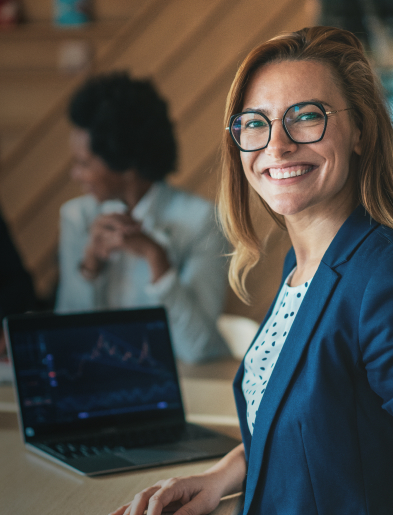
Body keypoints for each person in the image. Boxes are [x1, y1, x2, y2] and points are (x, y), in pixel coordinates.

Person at [109, 26, 393, 515]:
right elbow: (317, 425)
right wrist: (221, 476)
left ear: (362, 131)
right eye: (255, 123)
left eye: (307, 116)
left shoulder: (381, 274)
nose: (276, 145)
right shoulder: (302, 264)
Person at [55, 72, 230, 364]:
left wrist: (157, 258)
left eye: (84, 163)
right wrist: (89, 266)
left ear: (127, 164)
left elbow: (198, 347)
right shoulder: (77, 217)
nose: (76, 175)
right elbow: (65, 343)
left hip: (187, 388)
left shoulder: (202, 222)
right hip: (104, 388)